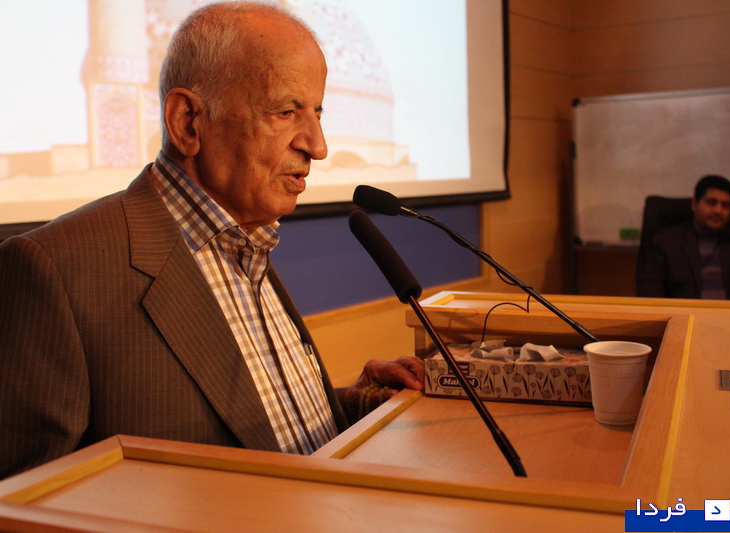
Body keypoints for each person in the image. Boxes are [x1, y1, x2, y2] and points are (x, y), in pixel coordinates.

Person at [0, 2, 423, 479]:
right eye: (285, 112)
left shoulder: (247, 241)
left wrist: (345, 403)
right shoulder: (56, 271)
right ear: (188, 122)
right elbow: (23, 498)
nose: (318, 146)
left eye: (317, 113)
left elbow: (257, 432)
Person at [637, 175, 730, 300]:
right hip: (685, 317)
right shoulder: (667, 241)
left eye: (725, 205)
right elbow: (649, 288)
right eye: (711, 203)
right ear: (694, 204)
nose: (718, 210)